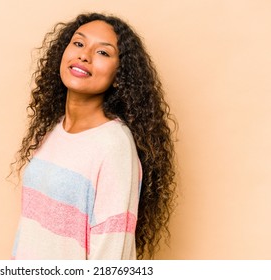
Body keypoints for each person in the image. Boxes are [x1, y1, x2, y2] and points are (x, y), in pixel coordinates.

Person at [10, 12, 176, 260]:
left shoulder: (113, 146)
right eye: (78, 43)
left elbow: (112, 254)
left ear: (120, 76)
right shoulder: (52, 130)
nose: (84, 55)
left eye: (103, 53)